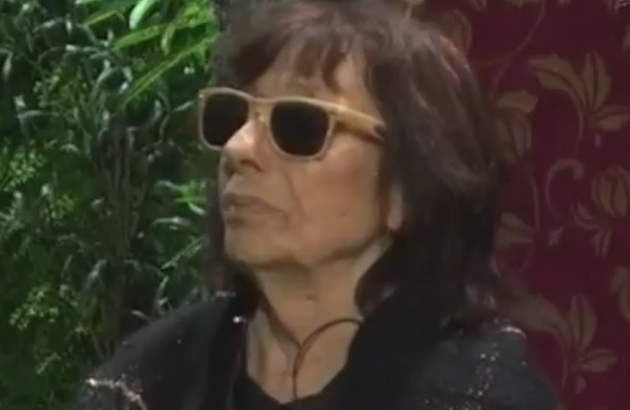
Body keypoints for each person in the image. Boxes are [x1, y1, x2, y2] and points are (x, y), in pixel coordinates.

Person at [69, 1, 558, 409]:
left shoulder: (481, 395)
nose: (237, 148)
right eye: (231, 115)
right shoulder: (145, 385)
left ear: (407, 189)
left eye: (299, 124)